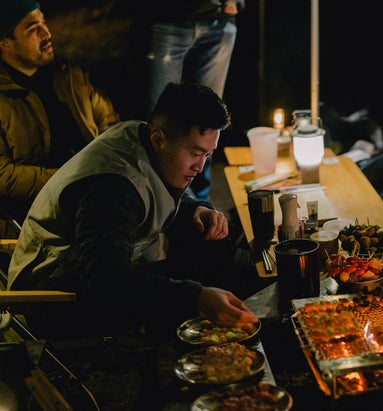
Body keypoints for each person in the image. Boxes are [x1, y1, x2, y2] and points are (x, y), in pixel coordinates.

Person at [7, 82, 258, 343]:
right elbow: (104, 280)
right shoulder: (111, 190)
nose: (200, 166)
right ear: (158, 138)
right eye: (195, 153)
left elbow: (152, 192)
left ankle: (236, 305)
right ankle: (177, 365)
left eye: (208, 154)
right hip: (55, 299)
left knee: (203, 235)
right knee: (186, 276)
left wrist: (196, 209)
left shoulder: (144, 137)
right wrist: (195, 297)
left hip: (99, 268)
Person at [0, 0, 120, 223]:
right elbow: (3, 174)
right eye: (33, 29)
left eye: (44, 23)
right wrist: (70, 177)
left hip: (98, 191)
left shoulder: (66, 74)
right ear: (5, 43)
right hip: (39, 213)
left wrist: (112, 164)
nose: (47, 34)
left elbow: (110, 124)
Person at [135, 0, 245, 201]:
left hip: (219, 19)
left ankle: (199, 207)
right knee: (160, 126)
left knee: (208, 128)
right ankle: (160, 208)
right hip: (167, 17)